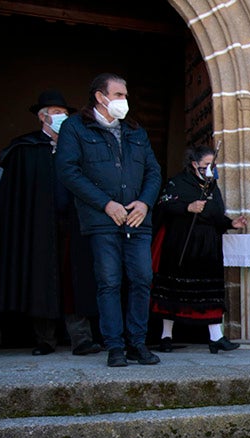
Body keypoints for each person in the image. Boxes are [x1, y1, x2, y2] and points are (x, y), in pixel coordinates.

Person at [56, 73, 162, 368]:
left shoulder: (135, 130)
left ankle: (137, 344)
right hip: (102, 220)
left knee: (142, 279)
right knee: (109, 282)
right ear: (100, 97)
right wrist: (105, 204)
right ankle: (115, 346)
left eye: (125, 95)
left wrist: (144, 202)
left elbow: (153, 171)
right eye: (118, 95)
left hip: (138, 219)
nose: (124, 101)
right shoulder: (75, 128)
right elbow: (67, 170)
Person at [0, 90, 101, 357]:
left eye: (64, 113)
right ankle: (44, 339)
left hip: (74, 225)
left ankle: (81, 339)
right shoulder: (26, 149)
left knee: (75, 280)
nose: (61, 117)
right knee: (41, 278)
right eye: (55, 112)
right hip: (38, 226)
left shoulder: (78, 147)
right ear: (42, 116)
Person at [151, 145, 245, 353]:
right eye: (206, 165)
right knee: (174, 292)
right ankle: (166, 336)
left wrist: (231, 223)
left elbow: (216, 215)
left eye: (213, 165)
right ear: (195, 165)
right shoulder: (178, 182)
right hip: (181, 245)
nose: (210, 169)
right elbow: (164, 205)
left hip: (208, 247)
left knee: (209, 292)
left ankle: (216, 337)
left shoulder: (212, 187)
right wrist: (187, 207)